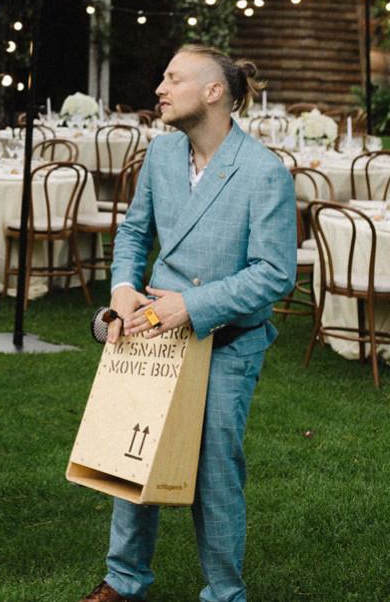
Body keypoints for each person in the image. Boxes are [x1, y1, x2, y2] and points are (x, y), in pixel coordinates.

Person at [79, 45, 296, 602]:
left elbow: (275, 275)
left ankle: (224, 592)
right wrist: (124, 288)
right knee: (134, 455)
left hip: (228, 341)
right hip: (156, 335)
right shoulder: (161, 156)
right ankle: (124, 581)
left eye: (173, 78)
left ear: (214, 92)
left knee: (215, 472)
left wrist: (192, 307)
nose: (160, 89)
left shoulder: (264, 172)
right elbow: (133, 233)